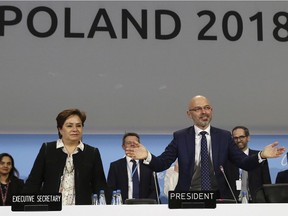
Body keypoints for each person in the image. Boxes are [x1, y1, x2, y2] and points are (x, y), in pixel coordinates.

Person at [125, 95, 286, 199]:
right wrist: (147, 155)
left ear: (212, 111)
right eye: (198, 109)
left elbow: (244, 162)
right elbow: (162, 163)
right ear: (189, 114)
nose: (204, 112)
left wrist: (261, 156)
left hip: (218, 197)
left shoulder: (223, 137)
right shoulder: (180, 137)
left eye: (207, 108)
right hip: (188, 197)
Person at [22, 108, 108, 205]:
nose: (75, 129)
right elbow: (34, 182)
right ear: (60, 129)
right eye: (69, 126)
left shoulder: (92, 152)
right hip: (51, 208)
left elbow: (100, 185)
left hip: (82, 209)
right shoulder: (48, 149)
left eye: (79, 126)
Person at [107, 132, 160, 203]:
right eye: (129, 143)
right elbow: (110, 189)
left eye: (135, 143)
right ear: (123, 146)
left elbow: (155, 191)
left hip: (145, 207)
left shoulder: (148, 165)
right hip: (122, 208)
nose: (132, 144)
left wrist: (147, 205)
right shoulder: (115, 166)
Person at [225, 126, 271, 202]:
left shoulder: (260, 156)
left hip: (256, 201)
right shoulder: (226, 158)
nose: (238, 140)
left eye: (241, 137)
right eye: (235, 138)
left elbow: (266, 183)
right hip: (232, 202)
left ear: (248, 138)